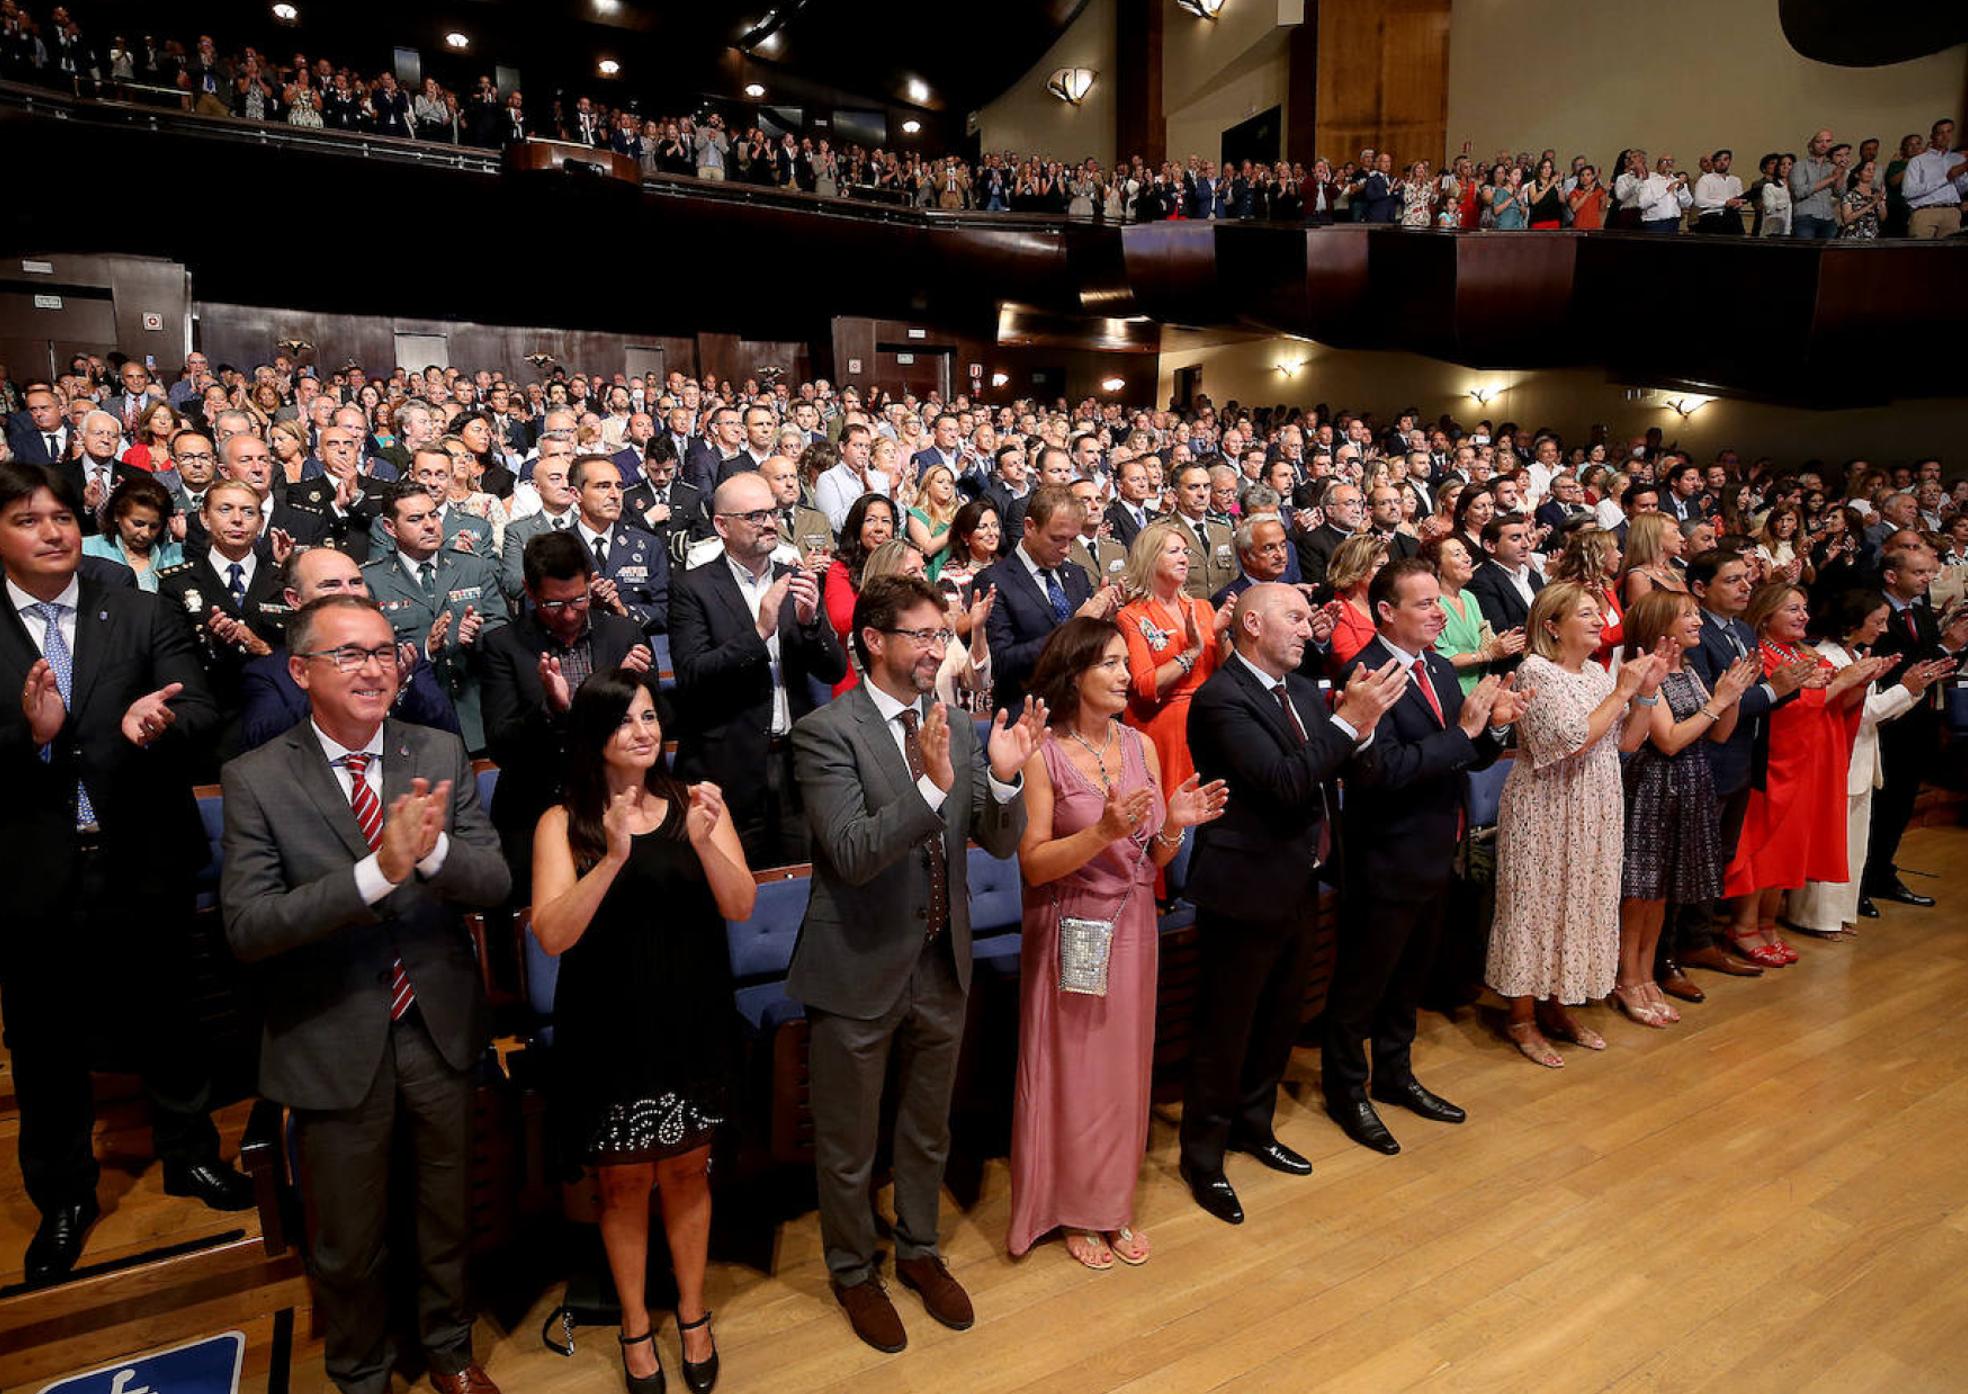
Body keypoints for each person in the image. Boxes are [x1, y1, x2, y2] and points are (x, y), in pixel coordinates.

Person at [221, 593, 510, 1394]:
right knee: (348, 1236)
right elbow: (249, 927)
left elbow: (492, 881)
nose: (373, 667)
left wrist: (428, 853)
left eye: (384, 650)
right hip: (328, 1032)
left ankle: (450, 1350)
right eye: (349, 653)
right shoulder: (256, 778)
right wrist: (375, 873)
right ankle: (361, 1372)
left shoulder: (438, 751)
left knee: (445, 1209)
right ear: (300, 669)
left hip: (436, 1023)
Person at [1, 460, 253, 1286]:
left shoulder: (138, 609)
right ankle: (66, 1196)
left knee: (169, 1017)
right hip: (34, 872)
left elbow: (205, 713)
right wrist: (33, 739)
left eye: (62, 516)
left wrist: (162, 722)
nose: (52, 532)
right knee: (45, 1044)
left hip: (143, 852)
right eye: (28, 519)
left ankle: (189, 1154)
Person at [789, 575, 1038, 1354]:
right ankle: (854, 1269)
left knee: (927, 1129)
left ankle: (920, 1251)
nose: (939, 650)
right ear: (873, 639)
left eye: (944, 636)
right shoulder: (825, 732)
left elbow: (999, 842)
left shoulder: (959, 727)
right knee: (850, 1140)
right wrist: (932, 785)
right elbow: (855, 852)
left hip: (941, 958)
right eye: (924, 636)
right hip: (857, 964)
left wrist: (1000, 775)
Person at [530, 670, 753, 1394]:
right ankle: (634, 1324)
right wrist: (616, 858)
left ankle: (692, 1315)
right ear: (594, 735)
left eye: (651, 716)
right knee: (622, 1186)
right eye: (626, 720)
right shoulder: (564, 821)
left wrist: (707, 842)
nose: (644, 730)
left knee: (689, 1172)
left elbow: (743, 904)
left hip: (692, 1013)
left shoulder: (697, 801)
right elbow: (553, 935)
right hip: (609, 1025)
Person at [1178, 584, 1404, 1224]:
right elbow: (1282, 784)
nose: (1311, 629)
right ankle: (1205, 1157)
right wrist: (1346, 724)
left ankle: (1255, 1125)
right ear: (1251, 624)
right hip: (1244, 888)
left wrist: (1360, 733)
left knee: (1281, 1015)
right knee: (1226, 1028)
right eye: (1296, 617)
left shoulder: (1302, 689)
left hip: (1302, 878)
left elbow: (1340, 771)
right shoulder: (1222, 699)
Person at [1007, 618, 1226, 1268]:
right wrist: (1100, 833)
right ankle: (1073, 1208)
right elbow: (1034, 865)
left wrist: (1176, 827)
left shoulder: (1140, 747)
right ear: (1074, 674)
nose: (1125, 674)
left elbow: (1151, 861)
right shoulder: (1043, 754)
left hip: (1131, 927)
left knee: (1124, 1070)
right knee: (1076, 1073)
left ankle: (1111, 1205)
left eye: (1124, 663)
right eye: (1108, 663)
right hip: (1070, 925)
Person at [1329, 560, 1521, 1153]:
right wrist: (1464, 735)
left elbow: (1465, 754)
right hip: (1383, 852)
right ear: (1386, 612)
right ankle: (1346, 1091)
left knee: (1409, 975)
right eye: (1424, 604)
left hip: (1437, 845)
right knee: (1362, 983)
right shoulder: (1365, 674)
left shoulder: (1436, 665)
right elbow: (1380, 772)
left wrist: (1491, 731)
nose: (1440, 612)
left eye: (1439, 602)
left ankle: (1395, 1073)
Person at [1488, 581, 1666, 1068]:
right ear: (1552, 625)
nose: (1596, 620)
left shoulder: (1596, 672)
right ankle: (1522, 1016)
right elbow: (1571, 740)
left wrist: (1646, 695)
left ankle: (1557, 1003)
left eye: (1598, 612)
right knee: (1535, 906)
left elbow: (1627, 741)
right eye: (1585, 613)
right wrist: (1625, 689)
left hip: (1596, 801)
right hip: (1545, 805)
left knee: (1581, 901)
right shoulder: (1535, 670)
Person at [669, 472, 848, 868]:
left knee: (798, 884)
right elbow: (692, 676)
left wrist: (809, 625)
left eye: (771, 512)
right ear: (722, 526)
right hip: (727, 769)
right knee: (729, 894)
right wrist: (759, 632)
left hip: (793, 765)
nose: (769, 523)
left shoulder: (794, 578)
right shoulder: (693, 587)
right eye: (754, 516)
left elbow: (834, 670)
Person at [480, 531, 652, 901]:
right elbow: (500, 743)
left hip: (614, 808)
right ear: (529, 591)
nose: (571, 613)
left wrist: (621, 690)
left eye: (579, 599)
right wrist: (552, 710)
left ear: (591, 582)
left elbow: (664, 719)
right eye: (554, 605)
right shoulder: (503, 646)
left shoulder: (624, 634)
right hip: (536, 811)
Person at [1614, 591, 1758, 1027]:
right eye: (1688, 616)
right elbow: (1669, 740)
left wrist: (1730, 697)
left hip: (1692, 782)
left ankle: (1647, 974)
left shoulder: (1689, 670)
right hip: (1654, 786)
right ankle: (1627, 977)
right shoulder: (1644, 675)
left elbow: (1718, 735)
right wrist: (1717, 703)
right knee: (1639, 892)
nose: (1698, 622)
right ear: (1662, 625)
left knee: (1660, 894)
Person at [1722, 583, 1887, 964]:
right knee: (1763, 848)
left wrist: (1860, 681)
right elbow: (1788, 708)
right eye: (1793, 609)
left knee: (1790, 847)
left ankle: (1768, 923)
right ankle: (1744, 925)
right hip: (1775, 762)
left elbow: (1834, 704)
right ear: (1766, 616)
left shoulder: (1805, 652)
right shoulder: (1759, 654)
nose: (1804, 616)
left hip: (1811, 761)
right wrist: (1845, 679)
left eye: (1805, 608)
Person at [1787, 588, 1954, 936]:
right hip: (1837, 759)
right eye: (1877, 622)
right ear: (1853, 622)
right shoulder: (1827, 658)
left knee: (1854, 845)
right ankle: (1815, 918)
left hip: (1860, 758)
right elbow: (1860, 715)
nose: (1882, 629)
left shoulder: (1851, 655)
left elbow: (1872, 716)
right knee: (1832, 843)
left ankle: (1841, 914)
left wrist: (1911, 688)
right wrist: (1907, 687)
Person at [238, 545, 459, 751]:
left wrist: (399, 688)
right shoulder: (270, 672)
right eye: (331, 585)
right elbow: (259, 742)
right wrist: (330, 692)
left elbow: (447, 734)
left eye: (356, 582)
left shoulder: (400, 658)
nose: (349, 593)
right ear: (294, 599)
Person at [362, 482, 512, 753]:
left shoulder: (472, 567)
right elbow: (370, 653)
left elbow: (501, 627)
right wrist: (425, 651)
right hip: (415, 720)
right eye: (416, 519)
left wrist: (477, 636)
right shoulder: (371, 581)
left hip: (478, 714)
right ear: (389, 527)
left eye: (433, 515)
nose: (430, 525)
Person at [1864, 544, 1968, 908]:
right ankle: (1859, 883)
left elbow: (1938, 664)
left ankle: (1882, 872)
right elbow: (1894, 668)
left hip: (1918, 719)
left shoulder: (1921, 612)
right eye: (1919, 573)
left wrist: (1958, 645)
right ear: (1892, 576)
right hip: (1882, 720)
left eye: (1929, 572)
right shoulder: (1872, 611)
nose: (1929, 579)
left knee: (1901, 804)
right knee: (1878, 807)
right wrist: (1944, 647)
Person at [978, 484, 1118, 712]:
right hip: (1026, 720)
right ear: (1030, 527)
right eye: (1057, 539)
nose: (1066, 550)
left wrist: (1101, 624)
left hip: (1080, 715)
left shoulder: (1076, 575)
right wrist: (1071, 629)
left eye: (1072, 540)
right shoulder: (994, 581)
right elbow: (1002, 663)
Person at [1115, 520, 1229, 797]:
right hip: (1164, 728)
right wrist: (1190, 653)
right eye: (1174, 551)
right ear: (1150, 558)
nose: (1183, 558)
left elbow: (1229, 674)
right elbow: (1145, 686)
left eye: (1186, 552)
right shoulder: (1132, 615)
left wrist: (1223, 635)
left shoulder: (1202, 607)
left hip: (1211, 718)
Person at [820, 492, 899, 696]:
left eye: (886, 521)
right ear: (857, 527)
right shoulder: (840, 569)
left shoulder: (905, 564)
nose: (879, 528)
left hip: (900, 675)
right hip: (855, 681)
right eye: (870, 520)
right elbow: (843, 620)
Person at [1422, 534, 1522, 693]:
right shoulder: (1432, 604)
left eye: (1466, 552)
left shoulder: (1469, 597)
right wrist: (1487, 655)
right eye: (1457, 554)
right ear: (1438, 566)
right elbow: (1442, 658)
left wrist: (1506, 643)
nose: (1467, 558)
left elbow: (1483, 640)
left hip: (1483, 688)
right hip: (1451, 690)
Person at [81, 473, 182, 590]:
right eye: (138, 524)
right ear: (117, 515)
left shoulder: (176, 555)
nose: (146, 533)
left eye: (154, 526)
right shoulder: (87, 549)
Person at [1550, 526, 1626, 668]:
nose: (1620, 555)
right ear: (1598, 555)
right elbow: (1595, 641)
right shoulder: (1569, 592)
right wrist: (1634, 622)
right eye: (1614, 550)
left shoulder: (1607, 586)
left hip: (1614, 670)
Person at [1323, 533, 1388, 671]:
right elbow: (1355, 664)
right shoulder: (1337, 612)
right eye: (1380, 565)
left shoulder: (1392, 606)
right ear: (1358, 568)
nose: (1389, 572)